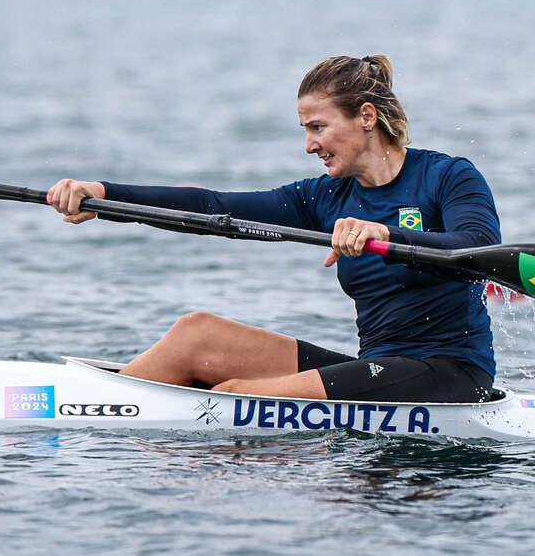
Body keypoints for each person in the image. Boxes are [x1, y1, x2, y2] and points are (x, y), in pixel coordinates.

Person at [47, 55, 501, 403]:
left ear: (366, 117)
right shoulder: (324, 197)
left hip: (449, 374)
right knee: (195, 334)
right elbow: (213, 207)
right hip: (378, 367)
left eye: (319, 127)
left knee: (235, 393)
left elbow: (479, 248)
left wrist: (383, 237)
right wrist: (103, 196)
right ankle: (94, 407)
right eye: (305, 130)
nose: (310, 145)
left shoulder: (447, 176)